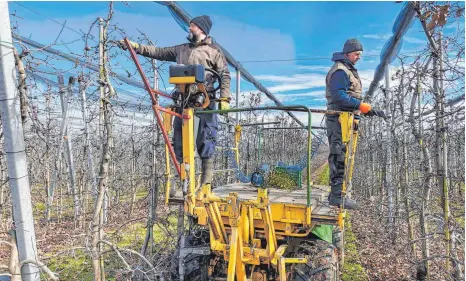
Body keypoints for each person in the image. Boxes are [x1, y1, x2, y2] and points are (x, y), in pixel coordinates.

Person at [118, 15, 231, 186]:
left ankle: (205, 184)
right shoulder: (181, 49)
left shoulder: (214, 51)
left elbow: (225, 75)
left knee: (206, 137)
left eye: (192, 26)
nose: (189, 28)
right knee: (180, 139)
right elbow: (159, 52)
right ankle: (185, 184)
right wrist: (136, 47)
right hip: (184, 100)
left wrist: (224, 97)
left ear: (201, 29)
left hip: (205, 99)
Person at [325, 38, 373, 210]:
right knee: (338, 154)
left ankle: (336, 193)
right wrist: (360, 106)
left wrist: (360, 112)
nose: (358, 57)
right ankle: (336, 197)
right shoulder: (340, 71)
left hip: (345, 117)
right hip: (338, 117)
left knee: (341, 153)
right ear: (347, 54)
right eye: (356, 54)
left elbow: (351, 95)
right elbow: (339, 96)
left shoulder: (347, 70)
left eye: (360, 54)